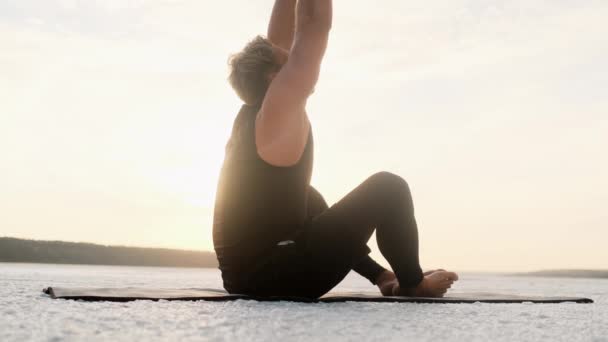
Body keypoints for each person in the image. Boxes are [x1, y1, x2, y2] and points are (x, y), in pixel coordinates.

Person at [213, 0, 459, 299]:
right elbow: (314, 24)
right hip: (278, 277)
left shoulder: (258, 114)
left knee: (307, 197)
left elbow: (283, 35)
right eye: (288, 61)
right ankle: (413, 284)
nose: (295, 59)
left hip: (247, 275)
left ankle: (382, 276)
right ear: (274, 78)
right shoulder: (276, 113)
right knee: (389, 188)